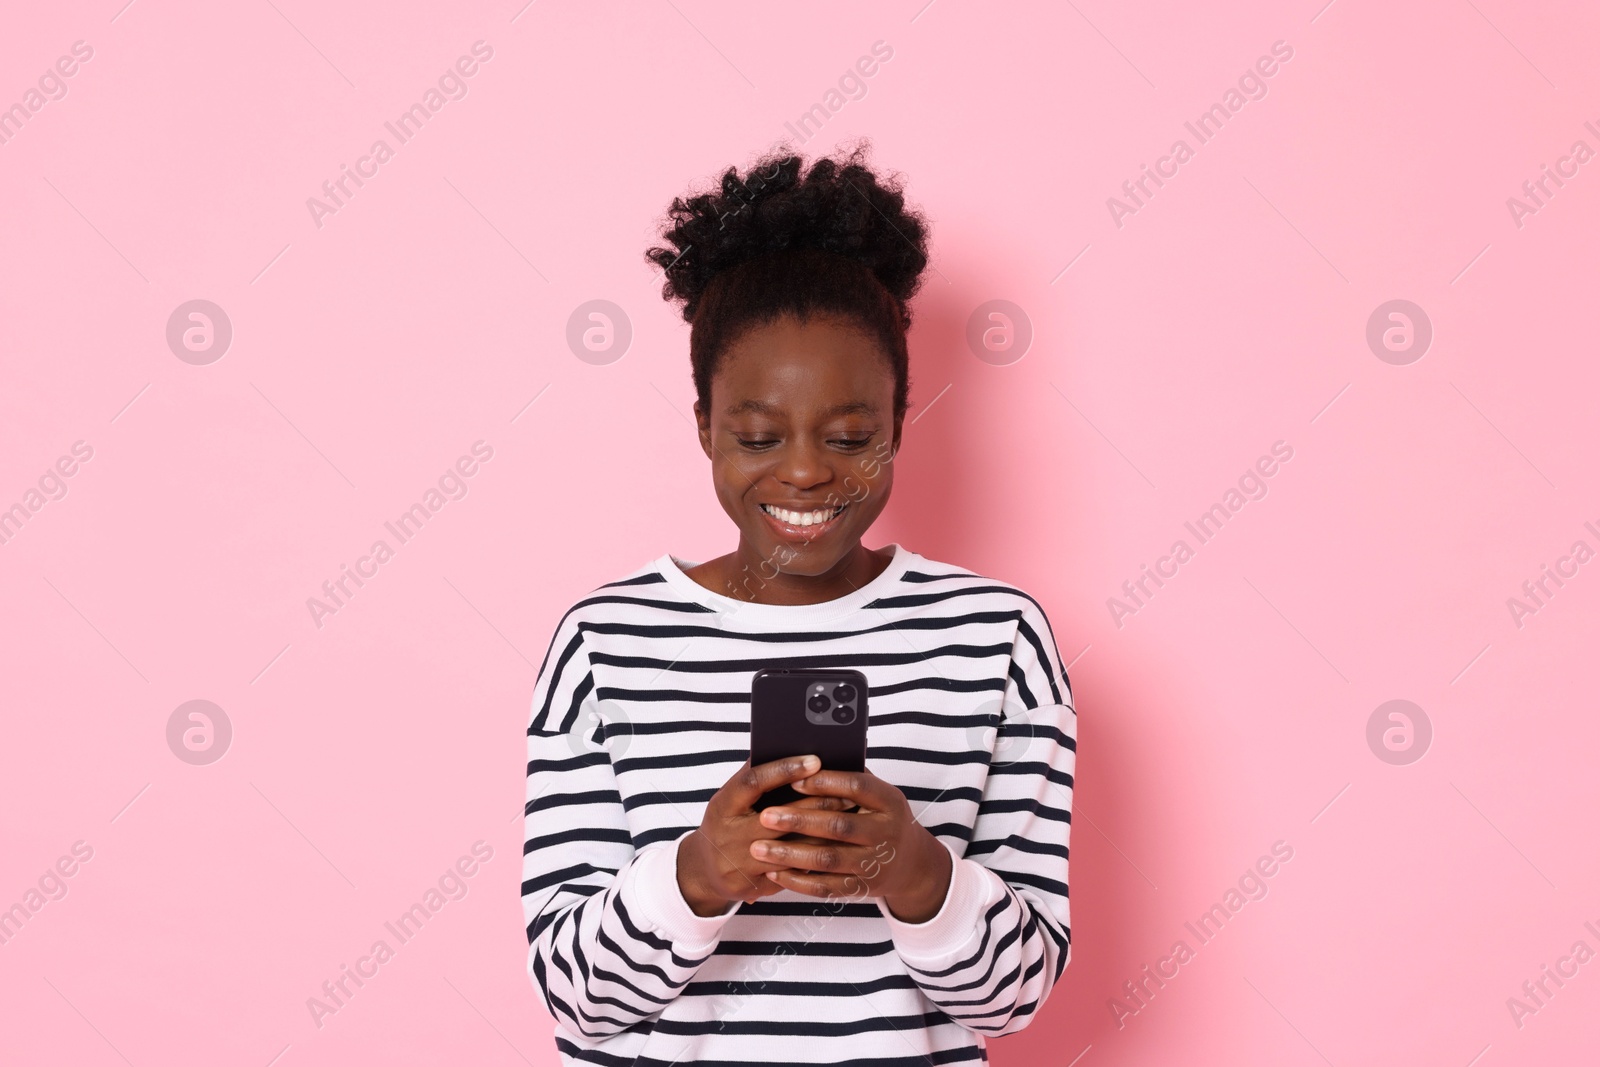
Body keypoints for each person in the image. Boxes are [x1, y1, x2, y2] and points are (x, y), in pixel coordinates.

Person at [522, 139, 1076, 1065]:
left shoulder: (999, 642)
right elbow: (575, 1001)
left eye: (852, 434)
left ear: (900, 422)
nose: (809, 469)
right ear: (704, 425)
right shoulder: (604, 643)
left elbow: (1017, 1000)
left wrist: (917, 872)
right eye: (758, 434)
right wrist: (698, 874)